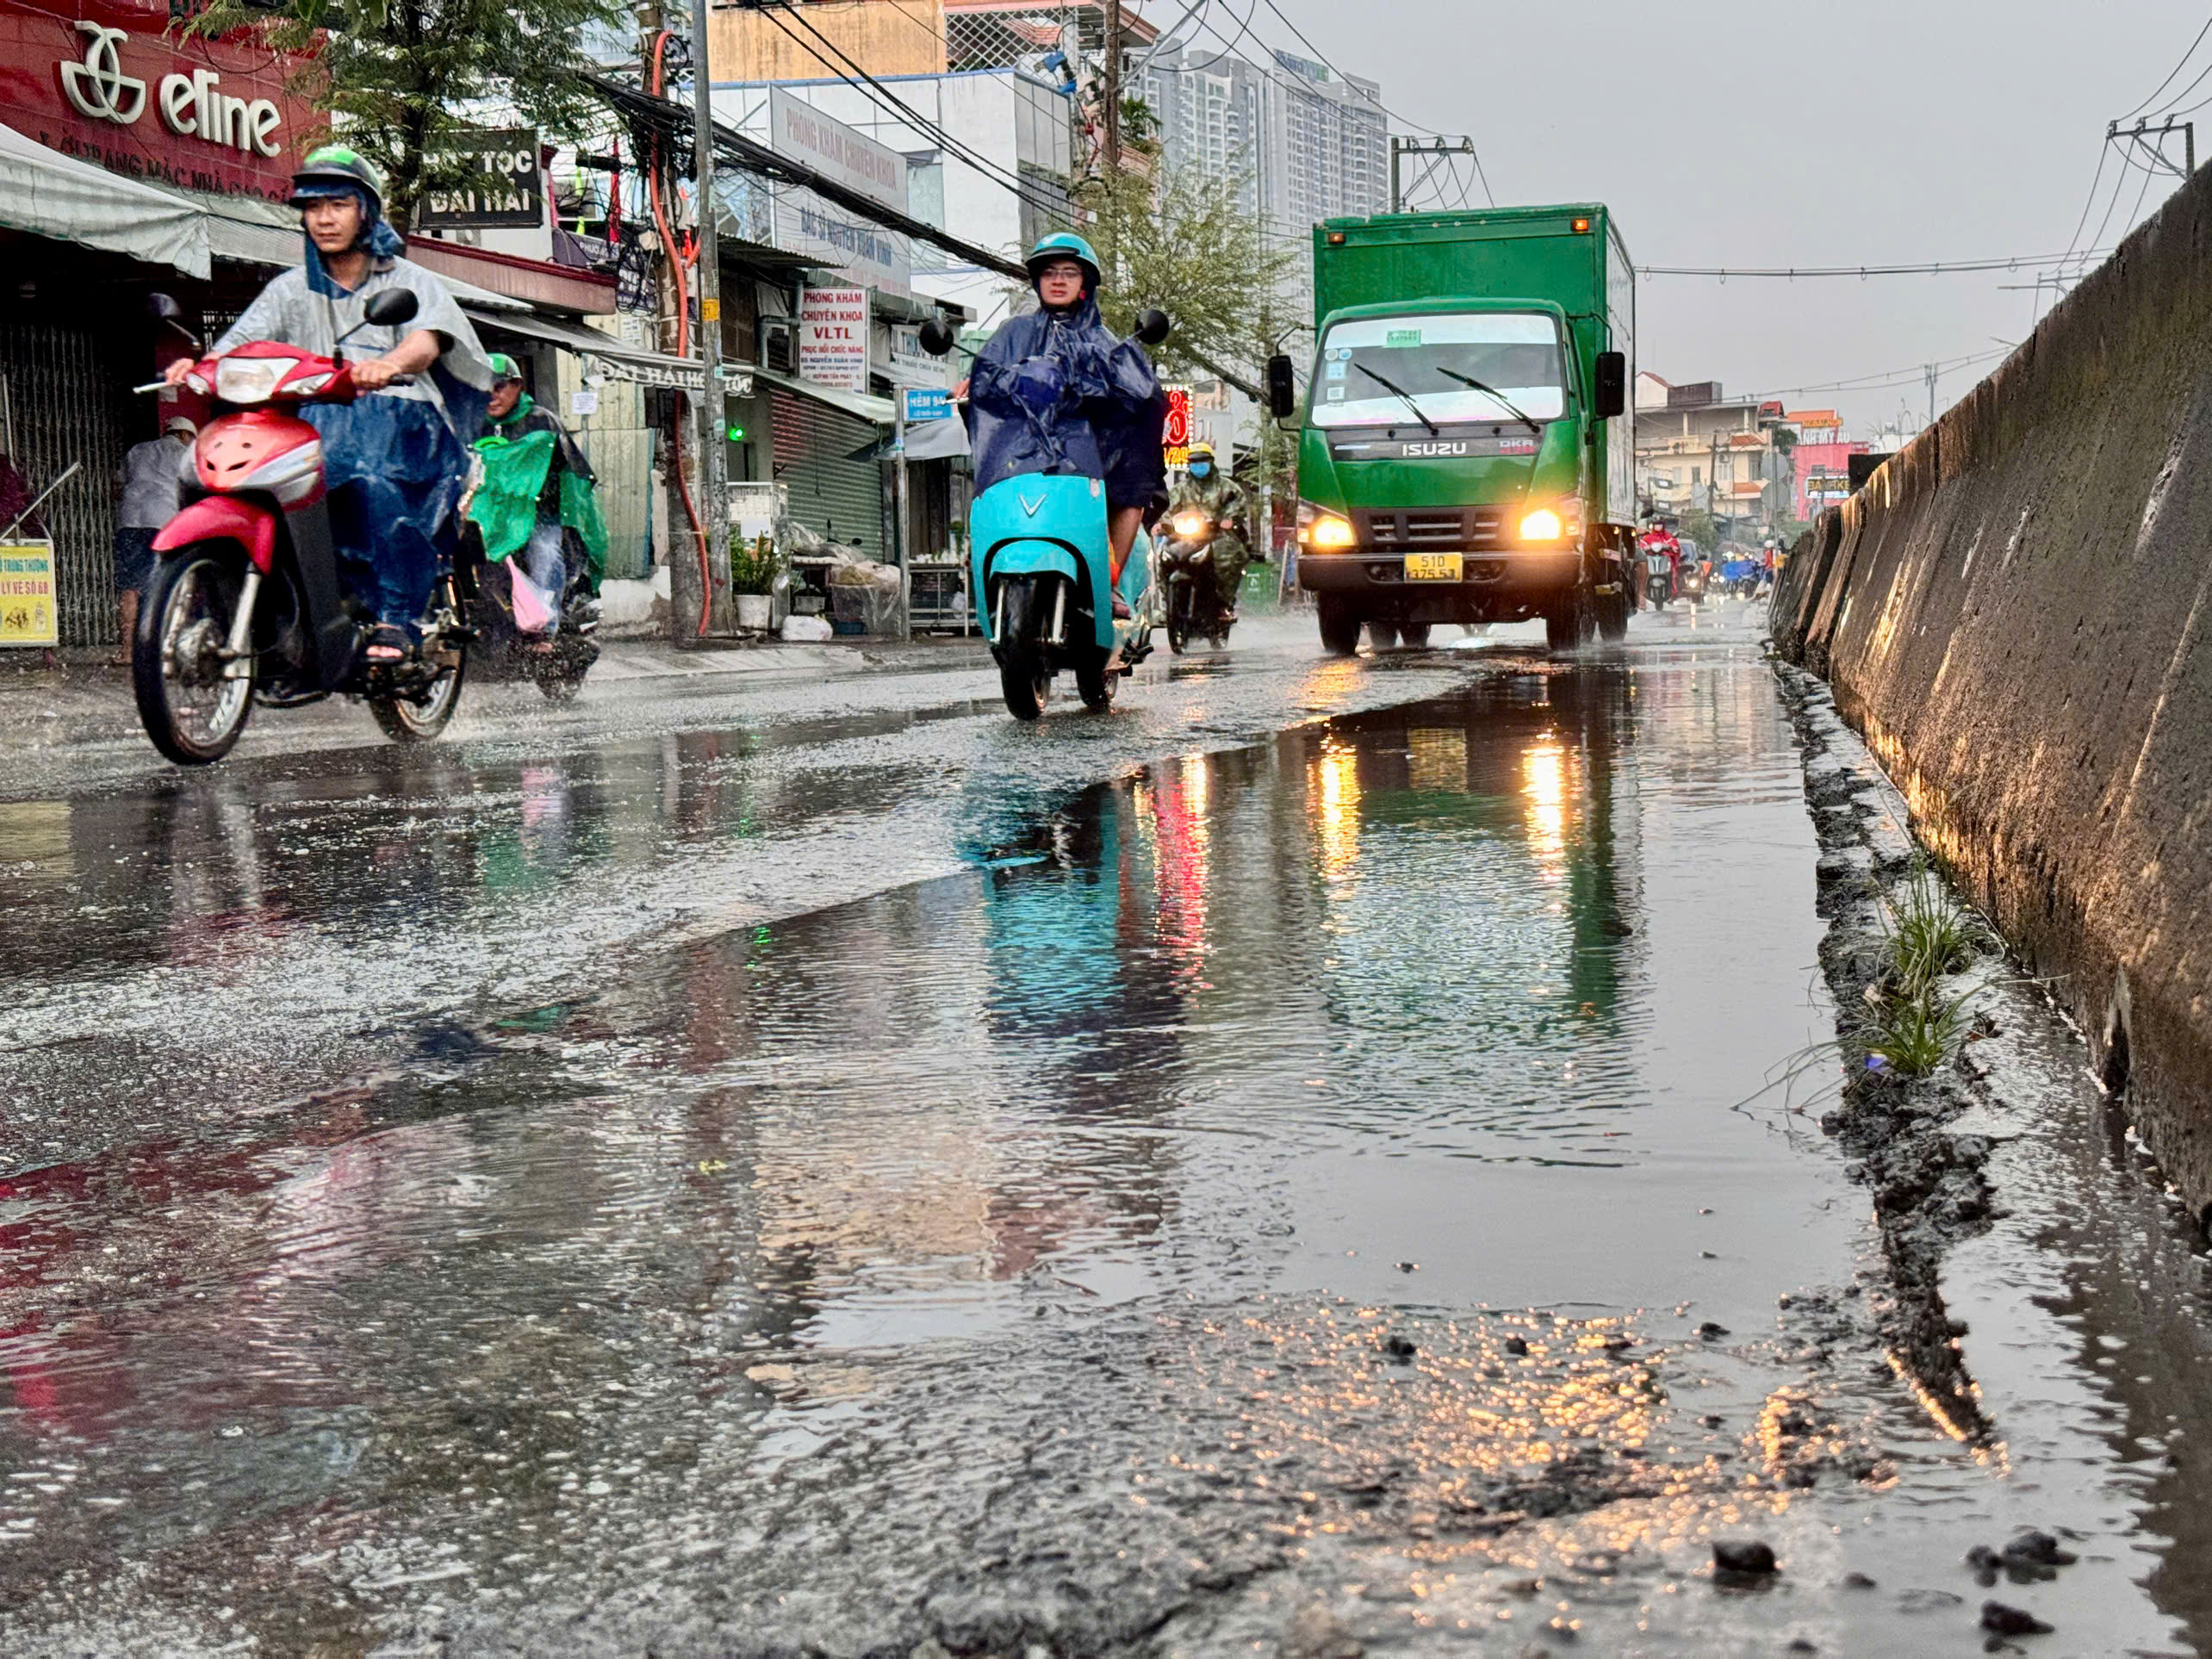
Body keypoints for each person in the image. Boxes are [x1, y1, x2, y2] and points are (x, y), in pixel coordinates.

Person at [164, 145, 494, 664]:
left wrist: (389, 365)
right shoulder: (289, 289)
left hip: (399, 419)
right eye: (314, 208)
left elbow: (427, 340)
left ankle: (394, 615)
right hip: (313, 419)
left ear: (366, 210)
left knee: (371, 486)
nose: (324, 219)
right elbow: (239, 343)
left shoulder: (408, 282)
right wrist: (199, 366)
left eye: (337, 205)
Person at [964, 233, 1168, 616]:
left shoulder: (1107, 342)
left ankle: (1109, 582)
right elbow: (986, 374)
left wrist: (1110, 395)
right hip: (1024, 454)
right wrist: (972, 384)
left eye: (1069, 272)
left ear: (1085, 283)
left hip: (1093, 456)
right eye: (1049, 272)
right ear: (1038, 281)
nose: (1058, 280)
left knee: (1134, 486)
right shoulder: (1013, 333)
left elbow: (1144, 394)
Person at [468, 353, 607, 640]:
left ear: (517, 385)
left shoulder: (542, 423)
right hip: (482, 516)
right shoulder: (468, 424)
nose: (491, 395)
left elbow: (572, 471)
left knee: (544, 553)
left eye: (499, 386)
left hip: (536, 517)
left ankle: (548, 628)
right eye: (484, 387)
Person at [112, 416, 196, 662]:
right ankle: (158, 650)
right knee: (162, 585)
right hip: (163, 524)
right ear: (184, 435)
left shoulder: (138, 450)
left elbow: (115, 488)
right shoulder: (184, 455)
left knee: (129, 588)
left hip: (130, 523)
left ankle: (127, 651)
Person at [1165, 441, 1250, 621]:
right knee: (1163, 556)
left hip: (1217, 536)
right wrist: (1160, 523)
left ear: (1211, 462)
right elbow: (1168, 510)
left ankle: (1223, 604)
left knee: (1229, 557)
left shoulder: (1227, 487)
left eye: (1202, 461)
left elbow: (1238, 505)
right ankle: (1169, 603)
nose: (1198, 465)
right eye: (1194, 462)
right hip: (1185, 537)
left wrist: (1228, 519)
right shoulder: (1180, 490)